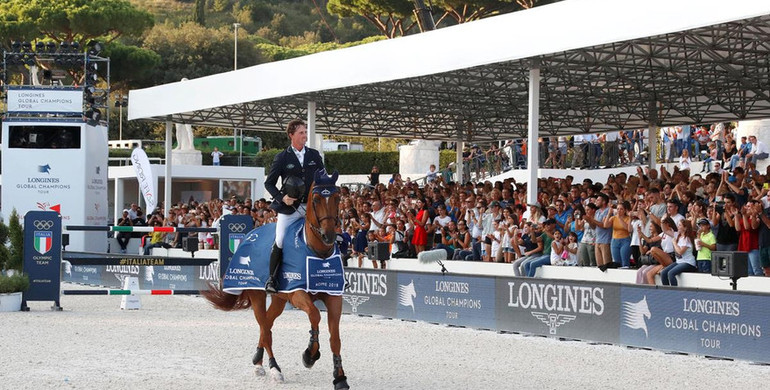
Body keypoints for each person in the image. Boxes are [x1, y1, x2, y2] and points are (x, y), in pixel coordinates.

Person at [263, 119, 325, 293]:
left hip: (312, 207)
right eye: (301, 133)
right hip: (290, 208)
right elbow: (269, 183)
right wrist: (282, 198)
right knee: (280, 239)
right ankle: (272, 279)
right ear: (291, 135)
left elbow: (323, 178)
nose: (305, 135)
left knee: (330, 232)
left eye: (306, 132)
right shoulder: (282, 157)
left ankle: (338, 274)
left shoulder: (314, 155)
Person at [660, 220, 697, 286]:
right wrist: (663, 221)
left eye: (680, 225)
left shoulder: (687, 239)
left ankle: (674, 293)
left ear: (685, 228)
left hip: (688, 263)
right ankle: (666, 291)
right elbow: (665, 230)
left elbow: (680, 252)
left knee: (671, 273)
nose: (678, 226)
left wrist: (674, 243)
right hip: (679, 261)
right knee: (663, 273)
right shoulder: (677, 235)